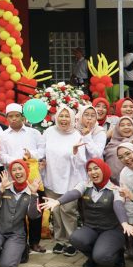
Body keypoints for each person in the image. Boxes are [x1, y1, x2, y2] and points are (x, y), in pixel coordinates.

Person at [42, 159, 133, 267]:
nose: (93, 172)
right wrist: (58, 201)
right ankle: (92, 257)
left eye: (96, 168)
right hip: (91, 228)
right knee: (75, 238)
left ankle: (118, 255)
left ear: (104, 170)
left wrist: (124, 223)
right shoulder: (84, 185)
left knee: (102, 257)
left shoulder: (116, 189)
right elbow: (74, 193)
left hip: (111, 230)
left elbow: (118, 205)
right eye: (89, 170)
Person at [0, 102, 46, 253]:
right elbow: (0, 155)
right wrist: (16, 162)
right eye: (10, 116)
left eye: (17, 116)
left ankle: (35, 242)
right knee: (17, 211)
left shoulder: (34, 133)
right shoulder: (2, 136)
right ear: (6, 118)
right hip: (13, 178)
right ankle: (21, 241)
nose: (14, 119)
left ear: (23, 117)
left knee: (34, 208)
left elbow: (42, 151)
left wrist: (31, 155)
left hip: (32, 177)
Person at [40, 106, 85, 257]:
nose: (64, 119)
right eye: (61, 116)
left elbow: (82, 161)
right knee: (56, 211)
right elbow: (41, 150)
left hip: (71, 179)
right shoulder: (49, 132)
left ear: (72, 118)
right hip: (52, 177)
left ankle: (72, 241)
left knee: (68, 211)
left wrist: (74, 153)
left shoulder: (77, 135)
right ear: (56, 117)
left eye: (67, 116)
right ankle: (60, 240)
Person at [0, 160, 42, 267]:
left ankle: (18, 250)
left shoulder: (32, 190)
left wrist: (34, 195)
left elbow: (33, 216)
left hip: (16, 234)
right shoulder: (3, 185)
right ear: (11, 173)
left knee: (7, 266)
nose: (17, 172)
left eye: (20, 168)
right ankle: (4, 250)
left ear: (26, 171)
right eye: (14, 170)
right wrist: (1, 191)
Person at [104, 116, 133, 183]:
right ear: (117, 129)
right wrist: (130, 143)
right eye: (122, 125)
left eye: (129, 125)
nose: (126, 127)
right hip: (118, 186)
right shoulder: (111, 147)